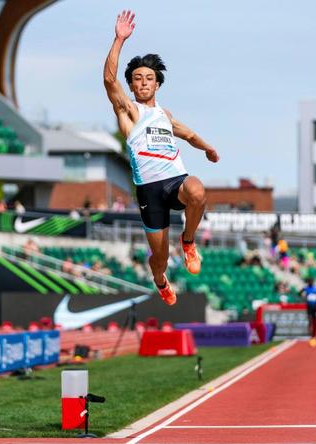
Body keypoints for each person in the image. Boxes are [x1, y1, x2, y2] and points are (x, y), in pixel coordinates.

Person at [103, 11, 219, 306]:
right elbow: (108, 79)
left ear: (157, 85)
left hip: (174, 181)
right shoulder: (128, 112)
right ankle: (160, 280)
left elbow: (189, 135)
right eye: (138, 79)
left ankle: (189, 242)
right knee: (160, 258)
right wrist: (119, 39)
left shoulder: (165, 115)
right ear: (131, 86)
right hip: (150, 191)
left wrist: (207, 148)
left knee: (197, 190)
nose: (143, 83)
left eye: (149, 79)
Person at [300, 277, 316, 347]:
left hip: (315, 307)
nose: (311, 283)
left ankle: (314, 334)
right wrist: (304, 296)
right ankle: (311, 335)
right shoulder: (306, 288)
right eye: (310, 282)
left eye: (312, 281)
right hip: (309, 307)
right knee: (310, 320)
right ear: (308, 282)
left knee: (315, 321)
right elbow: (299, 293)